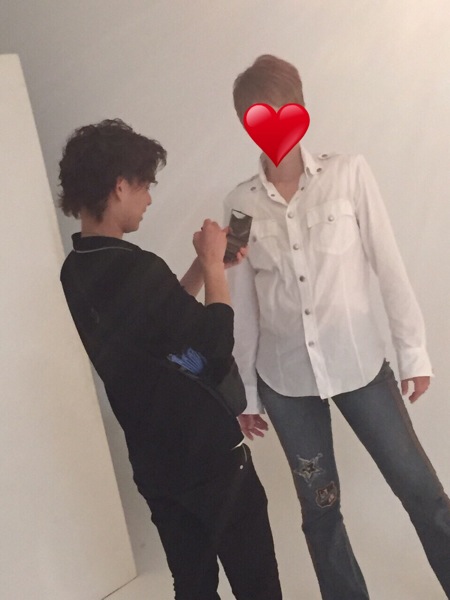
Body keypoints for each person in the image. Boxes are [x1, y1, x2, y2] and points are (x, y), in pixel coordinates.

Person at [224, 55, 450, 599]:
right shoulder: (240, 206)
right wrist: (246, 393)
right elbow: (244, 307)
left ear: (301, 109)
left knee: (421, 491)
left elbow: (388, 265)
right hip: (286, 382)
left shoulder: (349, 174)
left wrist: (413, 353)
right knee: (320, 512)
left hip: (361, 366)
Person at [58, 118, 282, 600]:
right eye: (144, 186)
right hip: (210, 458)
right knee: (258, 584)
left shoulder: (76, 270)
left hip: (155, 465)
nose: (148, 199)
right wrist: (216, 266)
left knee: (193, 586)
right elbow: (213, 347)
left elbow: (159, 327)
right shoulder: (136, 266)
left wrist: (204, 268)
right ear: (120, 185)